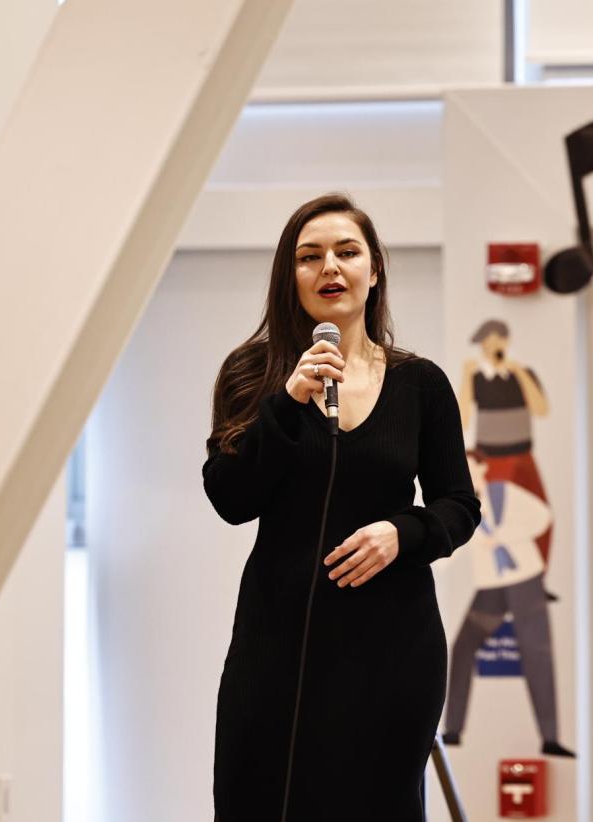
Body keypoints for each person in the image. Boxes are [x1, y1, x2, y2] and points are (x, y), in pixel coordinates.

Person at [203, 193, 480, 820]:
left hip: (391, 644)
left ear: (373, 269)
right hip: (277, 643)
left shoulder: (421, 384)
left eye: (346, 252)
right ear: (289, 275)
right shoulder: (251, 375)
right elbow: (229, 496)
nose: (330, 266)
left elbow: (459, 505)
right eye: (310, 256)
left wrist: (401, 534)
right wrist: (288, 400)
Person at [442, 450, 574, 757]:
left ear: (482, 467)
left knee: (536, 654)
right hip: (491, 586)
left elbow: (542, 517)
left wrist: (502, 535)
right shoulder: (461, 506)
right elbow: (452, 549)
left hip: (524, 579)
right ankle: (452, 730)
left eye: (470, 465)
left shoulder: (505, 494)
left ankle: (549, 738)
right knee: (462, 649)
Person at [459, 321, 555, 576]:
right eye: (485, 343)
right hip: (489, 459)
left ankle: (537, 575)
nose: (490, 348)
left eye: (495, 341)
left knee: (540, 514)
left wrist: (519, 372)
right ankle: (501, 575)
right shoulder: (478, 378)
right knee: (490, 519)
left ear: (505, 341)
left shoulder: (523, 374)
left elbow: (541, 409)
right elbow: (463, 418)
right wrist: (467, 378)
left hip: (521, 454)